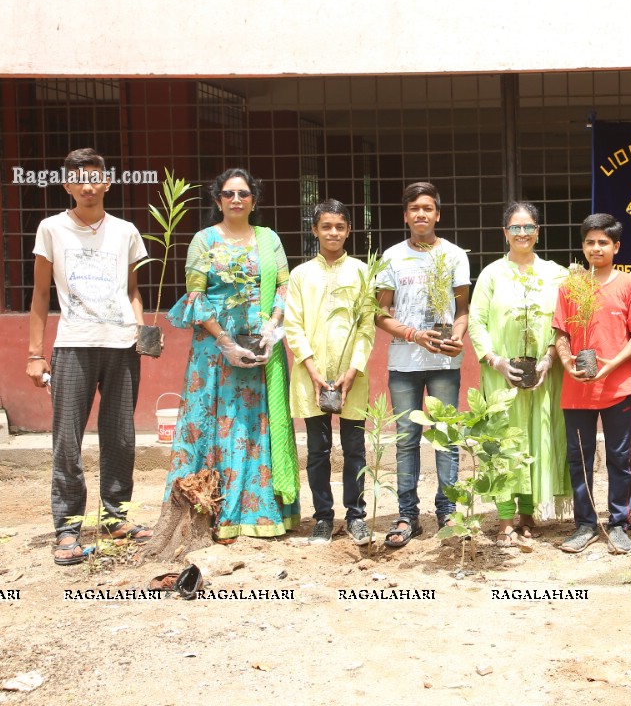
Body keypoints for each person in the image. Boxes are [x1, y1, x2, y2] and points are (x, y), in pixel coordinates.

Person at [27, 148, 153, 565]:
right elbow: (41, 294)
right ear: (66, 185)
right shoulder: (51, 229)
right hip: (72, 345)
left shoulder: (125, 231)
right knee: (68, 439)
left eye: (95, 178)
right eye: (79, 179)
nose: (88, 186)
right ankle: (67, 527)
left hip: (120, 346)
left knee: (120, 435)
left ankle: (117, 516)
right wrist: (34, 353)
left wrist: (140, 329)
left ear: (107, 182)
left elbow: (132, 290)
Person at [162, 168, 300, 540]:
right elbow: (196, 295)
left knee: (255, 425)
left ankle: (258, 512)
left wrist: (273, 326)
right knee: (215, 422)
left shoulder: (268, 239)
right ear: (217, 199)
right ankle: (211, 512)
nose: (236, 199)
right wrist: (225, 340)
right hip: (214, 352)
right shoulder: (204, 240)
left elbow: (286, 286)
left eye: (243, 193)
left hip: (260, 348)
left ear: (254, 199)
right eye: (228, 193)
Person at [468, 202, 570, 548]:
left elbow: (563, 324)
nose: (522, 233)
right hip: (501, 375)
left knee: (535, 438)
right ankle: (505, 519)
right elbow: (476, 321)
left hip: (541, 374)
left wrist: (548, 359)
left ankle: (528, 515)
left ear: (538, 232)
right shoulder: (492, 274)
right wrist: (494, 360)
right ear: (505, 233)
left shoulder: (556, 274)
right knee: (503, 441)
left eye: (528, 227)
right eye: (515, 227)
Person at [375, 182, 470, 548]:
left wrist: (457, 337)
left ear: (437, 214)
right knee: (406, 439)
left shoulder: (455, 255)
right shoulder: (392, 256)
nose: (421, 214)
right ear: (405, 216)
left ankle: (447, 510)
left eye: (427, 208)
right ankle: (407, 515)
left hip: (445, 361)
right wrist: (414, 335)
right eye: (414, 208)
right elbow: (380, 313)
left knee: (446, 437)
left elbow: (461, 311)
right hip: (404, 361)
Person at [553, 214, 631, 554]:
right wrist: (566, 362)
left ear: (616, 246)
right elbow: (560, 333)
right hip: (576, 389)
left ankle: (619, 524)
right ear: (582, 247)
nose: (596, 248)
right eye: (590, 242)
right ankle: (585, 524)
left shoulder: (629, 285)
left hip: (617, 387)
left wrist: (611, 367)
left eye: (603, 242)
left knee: (619, 458)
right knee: (579, 458)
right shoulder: (570, 286)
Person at [283, 200, 374, 546]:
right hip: (311, 376)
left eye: (339, 226)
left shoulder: (363, 273)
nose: (333, 232)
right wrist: (311, 367)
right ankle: (323, 517)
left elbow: (367, 327)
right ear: (315, 230)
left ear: (349, 230)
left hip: (354, 376)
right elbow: (293, 325)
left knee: (355, 449)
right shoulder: (301, 275)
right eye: (326, 226)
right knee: (318, 450)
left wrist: (354, 369)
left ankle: (356, 516)